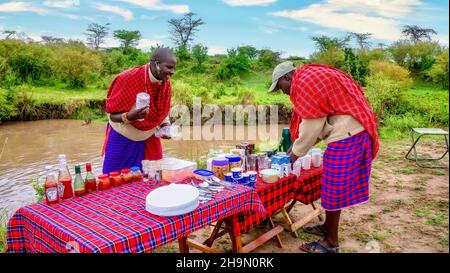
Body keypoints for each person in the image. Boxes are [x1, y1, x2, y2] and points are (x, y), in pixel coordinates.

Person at [268, 61, 379, 253]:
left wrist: (293, 155)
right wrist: (296, 149)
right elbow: (315, 122)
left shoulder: (304, 84)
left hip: (348, 135)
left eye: (280, 87)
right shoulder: (309, 78)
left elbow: (312, 126)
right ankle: (328, 227)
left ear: (287, 77)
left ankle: (331, 243)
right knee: (331, 185)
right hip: (349, 132)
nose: (283, 92)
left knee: (333, 188)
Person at [102, 48, 176, 174]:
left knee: (153, 178)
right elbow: (112, 115)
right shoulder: (128, 78)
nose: (172, 72)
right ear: (155, 63)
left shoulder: (165, 82)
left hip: (149, 136)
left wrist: (165, 126)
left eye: (174, 68)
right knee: (116, 179)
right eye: (168, 67)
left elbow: (162, 111)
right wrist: (129, 116)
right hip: (123, 137)